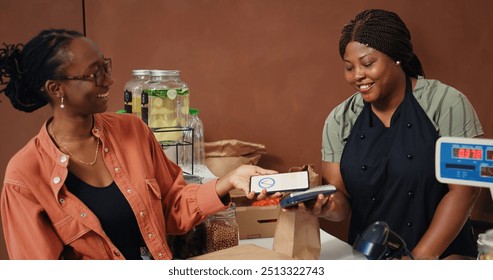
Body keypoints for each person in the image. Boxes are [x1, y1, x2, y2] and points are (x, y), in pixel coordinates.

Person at [0, 29, 277, 260]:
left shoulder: (131, 130)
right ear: (55, 88)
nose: (108, 80)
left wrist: (228, 180)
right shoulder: (24, 177)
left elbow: (172, 206)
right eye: (94, 74)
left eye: (105, 67)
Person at [310, 9, 483, 259]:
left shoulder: (447, 103)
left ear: (397, 58)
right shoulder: (340, 119)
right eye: (349, 67)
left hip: (444, 259)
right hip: (368, 259)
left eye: (368, 64)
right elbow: (341, 202)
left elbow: (464, 191)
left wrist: (417, 261)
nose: (358, 75)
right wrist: (324, 207)